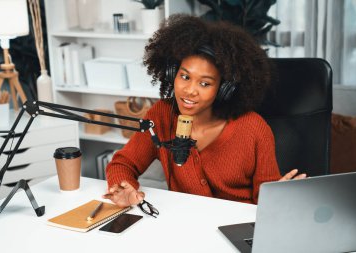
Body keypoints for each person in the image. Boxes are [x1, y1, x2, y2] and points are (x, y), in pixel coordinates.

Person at [103, 14, 305, 208]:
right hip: (185, 224)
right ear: (173, 73)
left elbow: (264, 199)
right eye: (184, 77)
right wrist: (123, 187)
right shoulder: (161, 115)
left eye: (205, 83)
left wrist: (277, 195)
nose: (190, 91)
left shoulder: (254, 129)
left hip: (237, 227)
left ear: (224, 88)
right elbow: (123, 163)